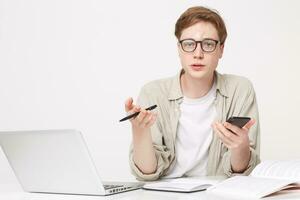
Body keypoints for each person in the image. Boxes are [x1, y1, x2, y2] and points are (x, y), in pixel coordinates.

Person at [124, 6, 260, 181]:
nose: (198, 54)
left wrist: (240, 146)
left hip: (216, 194)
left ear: (221, 49)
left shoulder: (240, 89)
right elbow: (147, 173)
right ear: (179, 49)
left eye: (208, 44)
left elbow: (242, 173)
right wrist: (139, 131)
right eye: (189, 44)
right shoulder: (153, 92)